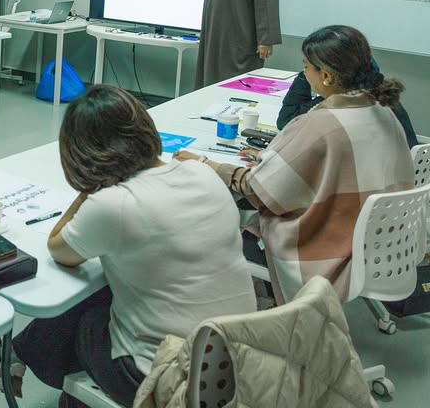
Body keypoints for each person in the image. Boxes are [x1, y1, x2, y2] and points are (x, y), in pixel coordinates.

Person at [0, 85, 254, 407]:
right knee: (109, 287)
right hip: (239, 359)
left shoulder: (113, 204)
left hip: (169, 378)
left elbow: (59, 250)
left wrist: (92, 189)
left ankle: (21, 362)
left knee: (88, 318)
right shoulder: (201, 172)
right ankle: (14, 356)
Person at [175, 25, 414, 305]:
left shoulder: (320, 124)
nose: (304, 74)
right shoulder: (384, 111)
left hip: (326, 247)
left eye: (306, 67)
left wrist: (207, 164)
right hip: (381, 241)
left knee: (225, 217)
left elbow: (259, 190)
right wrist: (279, 157)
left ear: (326, 76)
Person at [278, 63, 418, 148]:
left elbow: (287, 122)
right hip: (403, 182)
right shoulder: (383, 99)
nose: (305, 70)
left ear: (327, 75)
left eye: (307, 65)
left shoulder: (336, 108)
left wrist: (303, 77)